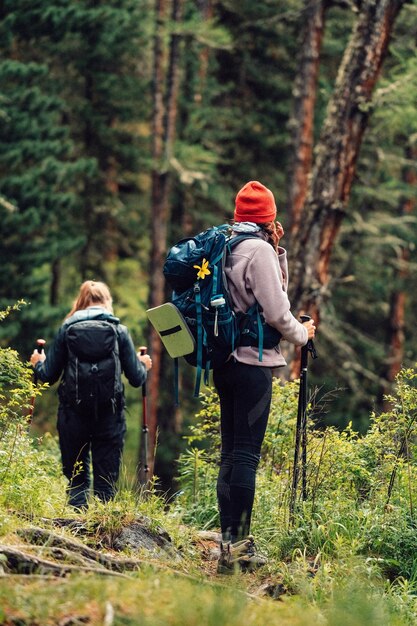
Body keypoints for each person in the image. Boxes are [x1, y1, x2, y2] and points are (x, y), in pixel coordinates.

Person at [213, 181, 315, 574]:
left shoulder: (227, 245)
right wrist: (302, 335)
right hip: (253, 364)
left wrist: (277, 252)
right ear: (269, 217)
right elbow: (277, 311)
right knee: (245, 455)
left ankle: (228, 543)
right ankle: (239, 549)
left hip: (224, 362)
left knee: (229, 452)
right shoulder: (258, 251)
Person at [30, 280, 152, 510]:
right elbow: (136, 378)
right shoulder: (119, 331)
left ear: (82, 302)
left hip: (72, 414)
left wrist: (38, 363)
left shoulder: (67, 329)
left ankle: (76, 529)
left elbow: (47, 376)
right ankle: (104, 534)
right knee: (106, 484)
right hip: (110, 415)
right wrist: (143, 364)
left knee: (77, 481)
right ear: (107, 302)